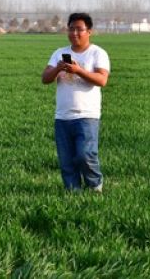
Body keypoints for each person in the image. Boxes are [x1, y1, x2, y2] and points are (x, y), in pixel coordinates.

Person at [41, 13, 110, 192]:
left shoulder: (97, 53)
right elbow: (45, 78)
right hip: (62, 116)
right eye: (71, 29)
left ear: (89, 31)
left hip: (87, 115)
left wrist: (78, 70)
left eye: (79, 29)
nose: (74, 33)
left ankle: (95, 186)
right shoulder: (59, 53)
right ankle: (73, 192)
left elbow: (102, 80)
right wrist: (58, 68)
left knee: (85, 155)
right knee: (66, 160)